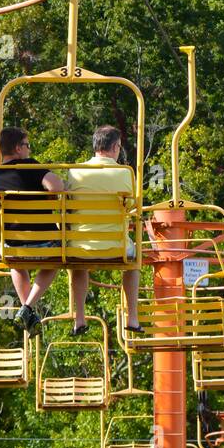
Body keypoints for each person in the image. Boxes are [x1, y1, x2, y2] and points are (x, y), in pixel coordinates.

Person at [65, 124, 141, 336]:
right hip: (116, 248)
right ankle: (132, 317)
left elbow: (69, 203)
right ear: (116, 147)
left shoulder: (75, 171)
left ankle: (79, 317)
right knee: (134, 263)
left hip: (79, 247)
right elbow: (131, 206)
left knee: (79, 265)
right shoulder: (125, 172)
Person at [0, 126, 66, 336]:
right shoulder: (29, 166)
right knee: (56, 260)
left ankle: (28, 310)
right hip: (45, 243)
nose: (29, 150)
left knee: (15, 263)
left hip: (13, 245)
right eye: (27, 145)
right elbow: (56, 187)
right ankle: (27, 307)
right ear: (18, 148)